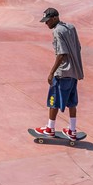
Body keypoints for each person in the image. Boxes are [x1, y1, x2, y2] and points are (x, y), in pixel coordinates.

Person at [33, 8, 84, 140]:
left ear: (55, 18)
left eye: (48, 21)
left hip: (62, 73)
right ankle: (72, 131)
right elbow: (78, 47)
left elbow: (62, 53)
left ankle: (50, 128)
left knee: (53, 100)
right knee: (72, 102)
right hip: (74, 72)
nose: (46, 24)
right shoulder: (71, 27)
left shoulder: (57, 31)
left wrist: (51, 73)